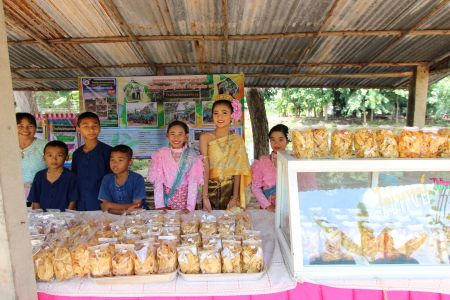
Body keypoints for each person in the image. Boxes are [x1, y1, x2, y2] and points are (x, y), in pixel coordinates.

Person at [200, 99, 251, 211]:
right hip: (210, 188)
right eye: (216, 113)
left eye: (224, 112)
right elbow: (205, 167)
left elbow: (238, 170)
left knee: (229, 225)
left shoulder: (237, 140)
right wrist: (205, 197)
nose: (220, 117)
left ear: (232, 115)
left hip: (230, 189)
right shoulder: (205, 138)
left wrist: (235, 197)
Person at [148, 121, 203, 212]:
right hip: (167, 201)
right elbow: (158, 182)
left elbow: (193, 183)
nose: (176, 138)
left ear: (186, 136)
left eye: (180, 134)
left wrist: (189, 207)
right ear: (167, 136)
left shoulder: (192, 155)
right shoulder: (160, 154)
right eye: (172, 134)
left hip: (186, 200)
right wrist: (160, 206)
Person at [72, 112, 111, 211]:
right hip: (81, 202)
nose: (91, 130)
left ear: (100, 128)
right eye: (86, 126)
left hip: (103, 203)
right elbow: (74, 179)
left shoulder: (109, 152)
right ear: (78, 129)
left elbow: (114, 179)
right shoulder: (77, 154)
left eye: (95, 126)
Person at [28, 141, 77, 211]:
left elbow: (73, 201)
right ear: (44, 157)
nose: (54, 159)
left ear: (67, 157)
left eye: (59, 155)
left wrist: (68, 217)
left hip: (64, 219)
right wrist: (40, 218)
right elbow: (35, 200)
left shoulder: (71, 177)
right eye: (50, 155)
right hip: (43, 219)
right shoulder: (39, 176)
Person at [98, 145, 146, 214]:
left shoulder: (137, 179)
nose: (115, 163)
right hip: (114, 219)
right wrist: (126, 211)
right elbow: (104, 207)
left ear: (130, 162)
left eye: (120, 160)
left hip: (136, 218)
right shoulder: (107, 179)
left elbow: (137, 205)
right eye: (112, 160)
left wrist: (110, 205)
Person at [251, 124, 289, 212]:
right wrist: (268, 206)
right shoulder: (262, 162)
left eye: (281, 139)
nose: (276, 143)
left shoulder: (293, 161)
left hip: (288, 207)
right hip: (268, 208)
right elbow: (255, 187)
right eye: (272, 140)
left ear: (287, 141)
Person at [16, 112, 47, 200]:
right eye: (20, 126)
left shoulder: (44, 146)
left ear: (35, 128)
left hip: (39, 195)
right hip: (11, 195)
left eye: (30, 126)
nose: (25, 129)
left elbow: (55, 169)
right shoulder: (5, 146)